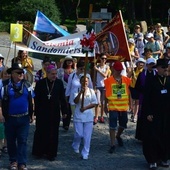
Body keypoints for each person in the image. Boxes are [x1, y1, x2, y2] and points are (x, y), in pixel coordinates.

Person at [0, 63, 34, 170]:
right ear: (12, 74)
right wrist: (1, 114)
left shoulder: (27, 85)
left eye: (21, 72)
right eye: (18, 72)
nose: (21, 74)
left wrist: (32, 114)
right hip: (9, 118)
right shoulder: (4, 85)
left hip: (24, 117)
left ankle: (22, 163)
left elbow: (32, 100)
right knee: (11, 140)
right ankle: (13, 161)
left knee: (22, 140)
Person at [32, 64, 68, 161]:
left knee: (53, 133)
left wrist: (64, 111)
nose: (54, 76)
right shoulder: (40, 83)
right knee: (40, 131)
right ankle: (38, 152)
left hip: (54, 112)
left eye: (55, 74)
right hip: (42, 112)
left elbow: (62, 98)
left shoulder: (59, 83)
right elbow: (36, 98)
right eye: (52, 74)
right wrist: (35, 112)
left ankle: (51, 153)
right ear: (47, 74)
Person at [142, 58, 170, 169]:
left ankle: (164, 158)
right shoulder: (151, 80)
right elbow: (146, 99)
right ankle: (152, 159)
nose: (165, 69)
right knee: (153, 137)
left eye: (166, 67)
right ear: (157, 69)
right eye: (163, 67)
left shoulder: (169, 80)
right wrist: (148, 113)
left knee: (166, 136)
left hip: (167, 114)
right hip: (154, 114)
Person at [104, 61, 131, 153]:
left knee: (123, 124)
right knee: (112, 126)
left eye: (120, 70)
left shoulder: (127, 80)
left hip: (124, 107)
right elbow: (106, 94)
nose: (119, 71)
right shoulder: (108, 81)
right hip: (113, 107)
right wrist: (104, 105)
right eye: (117, 70)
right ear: (113, 69)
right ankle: (112, 144)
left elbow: (129, 92)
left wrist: (130, 104)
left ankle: (118, 135)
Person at [70, 75, 97, 160]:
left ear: (88, 82)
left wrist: (85, 108)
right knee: (79, 134)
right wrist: (80, 93)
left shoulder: (91, 91)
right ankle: (75, 144)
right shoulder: (76, 90)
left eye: (86, 81)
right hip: (78, 115)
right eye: (82, 81)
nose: (84, 83)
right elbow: (75, 101)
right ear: (80, 82)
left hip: (88, 115)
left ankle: (85, 152)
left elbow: (94, 103)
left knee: (87, 136)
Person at [134, 58, 157, 141]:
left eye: (153, 64)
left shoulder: (156, 73)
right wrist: (144, 90)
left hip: (154, 98)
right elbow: (137, 86)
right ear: (147, 65)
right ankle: (142, 136)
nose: (152, 66)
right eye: (150, 64)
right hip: (143, 98)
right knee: (143, 116)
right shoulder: (142, 74)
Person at [57, 55, 76, 130]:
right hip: (63, 90)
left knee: (70, 106)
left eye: (71, 61)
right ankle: (62, 122)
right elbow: (58, 80)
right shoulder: (60, 70)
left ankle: (66, 123)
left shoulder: (75, 71)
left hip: (72, 91)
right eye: (68, 60)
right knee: (63, 106)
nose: (69, 62)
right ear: (65, 62)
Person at [93, 53, 110, 124]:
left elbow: (105, 75)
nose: (104, 60)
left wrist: (98, 70)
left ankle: (102, 116)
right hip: (98, 86)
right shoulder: (96, 66)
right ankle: (96, 116)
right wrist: (94, 87)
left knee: (103, 102)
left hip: (104, 86)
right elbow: (94, 77)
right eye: (102, 58)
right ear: (100, 59)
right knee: (97, 102)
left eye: (105, 59)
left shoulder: (107, 67)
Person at [129, 58, 146, 123]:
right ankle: (132, 112)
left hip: (139, 88)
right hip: (132, 87)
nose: (141, 64)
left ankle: (135, 115)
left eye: (142, 63)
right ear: (137, 63)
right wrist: (131, 71)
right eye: (140, 62)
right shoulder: (134, 69)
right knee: (132, 102)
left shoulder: (144, 71)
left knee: (137, 102)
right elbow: (128, 76)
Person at [0, 67, 10, 157]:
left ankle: (5, 145)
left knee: (7, 128)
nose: (7, 75)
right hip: (1, 108)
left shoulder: (11, 84)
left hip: (8, 109)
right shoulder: (0, 84)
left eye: (8, 74)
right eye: (5, 74)